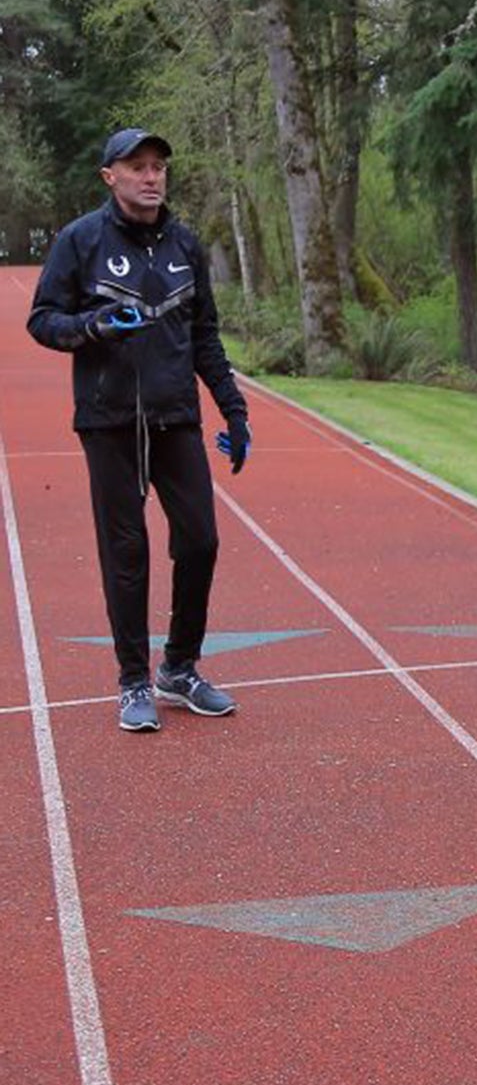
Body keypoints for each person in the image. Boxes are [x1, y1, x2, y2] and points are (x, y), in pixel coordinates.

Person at [27, 128, 252, 734]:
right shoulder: (81, 241)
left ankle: (178, 667)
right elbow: (43, 320)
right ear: (110, 176)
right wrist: (95, 326)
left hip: (175, 415)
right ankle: (132, 681)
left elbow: (204, 334)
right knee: (127, 553)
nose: (151, 177)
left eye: (159, 167)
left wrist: (234, 410)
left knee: (201, 540)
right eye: (138, 167)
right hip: (109, 421)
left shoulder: (184, 244)